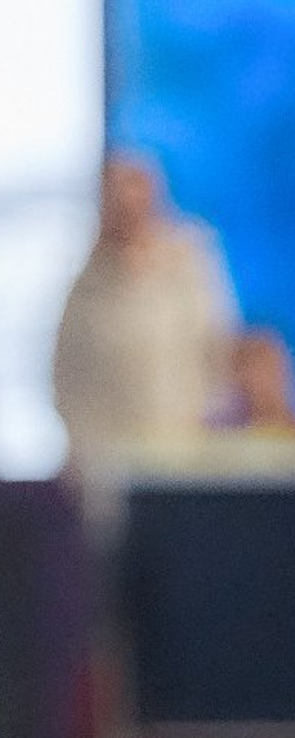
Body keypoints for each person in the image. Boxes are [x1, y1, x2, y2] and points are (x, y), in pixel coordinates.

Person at [52, 150, 239, 487]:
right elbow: (65, 375)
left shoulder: (189, 263)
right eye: (116, 200)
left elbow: (218, 352)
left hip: (184, 456)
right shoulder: (87, 282)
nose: (128, 209)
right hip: (106, 465)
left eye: (136, 197)